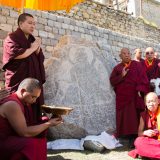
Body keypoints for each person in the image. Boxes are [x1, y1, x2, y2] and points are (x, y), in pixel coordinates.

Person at [0, 78, 63, 160]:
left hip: (10, 137)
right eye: (33, 97)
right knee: (33, 144)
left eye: (36, 98)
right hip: (2, 142)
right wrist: (49, 124)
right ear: (23, 91)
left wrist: (47, 121)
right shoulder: (12, 104)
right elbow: (24, 133)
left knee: (43, 121)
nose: (34, 101)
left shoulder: (22, 102)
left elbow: (27, 125)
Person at [2, 13, 45, 121]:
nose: (33, 26)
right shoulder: (11, 38)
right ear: (21, 23)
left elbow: (40, 58)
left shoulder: (32, 40)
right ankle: (18, 129)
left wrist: (37, 50)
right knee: (17, 105)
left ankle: (32, 129)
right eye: (29, 23)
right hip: (18, 79)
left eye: (34, 24)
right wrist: (32, 48)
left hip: (33, 79)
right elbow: (15, 54)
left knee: (33, 106)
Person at [110, 48, 149, 145]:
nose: (127, 55)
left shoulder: (137, 65)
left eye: (128, 53)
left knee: (135, 116)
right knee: (125, 117)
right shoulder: (117, 68)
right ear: (120, 56)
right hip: (123, 97)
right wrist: (121, 76)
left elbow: (144, 78)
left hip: (135, 95)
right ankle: (125, 136)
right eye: (124, 53)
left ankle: (135, 136)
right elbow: (112, 81)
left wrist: (140, 89)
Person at [129, 92, 160, 159]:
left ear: (158, 101)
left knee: (140, 148)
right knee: (138, 141)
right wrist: (145, 132)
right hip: (153, 142)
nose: (151, 104)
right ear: (145, 104)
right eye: (148, 102)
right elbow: (139, 133)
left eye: (153, 101)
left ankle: (147, 153)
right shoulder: (143, 115)